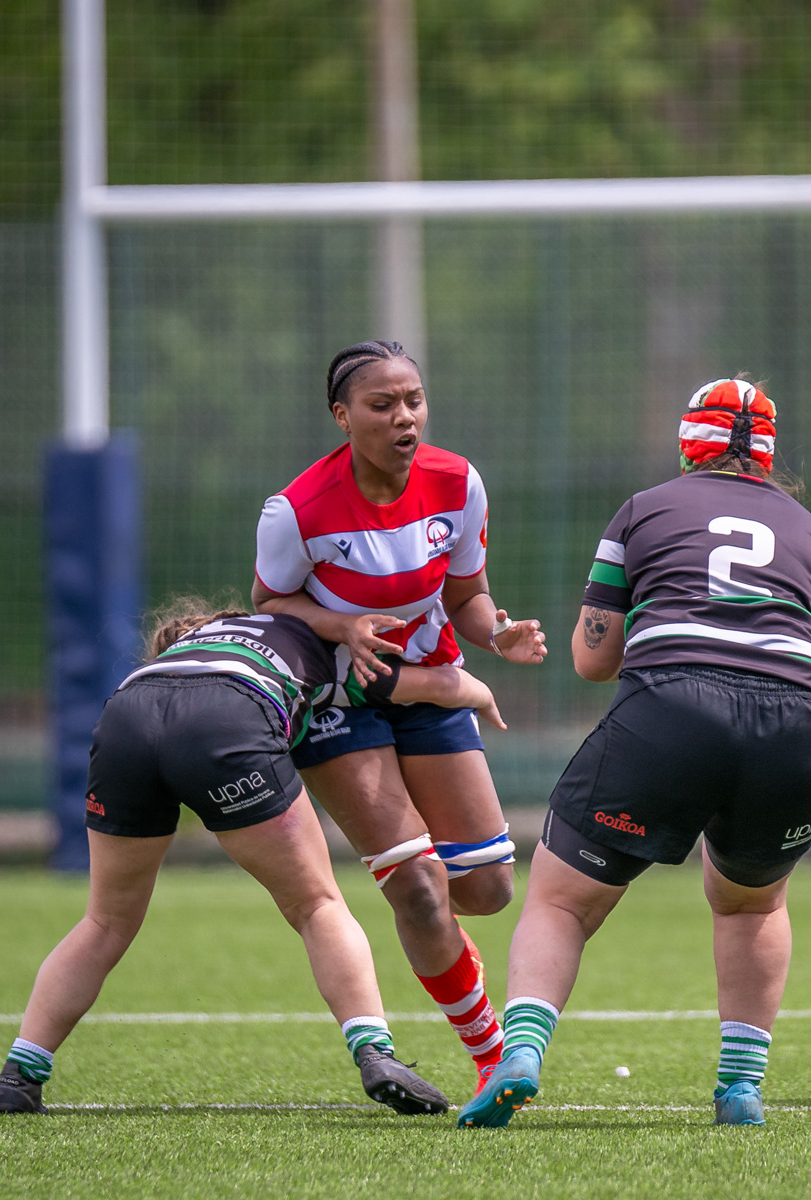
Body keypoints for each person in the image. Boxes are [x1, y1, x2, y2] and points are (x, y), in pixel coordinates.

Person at [458, 378, 811, 1130]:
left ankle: (520, 1051)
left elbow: (594, 661)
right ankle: (741, 1087)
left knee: (561, 899)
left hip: (671, 709)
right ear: (770, 456)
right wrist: (781, 723)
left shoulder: (644, 510)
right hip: (796, 728)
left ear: (690, 445)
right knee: (751, 904)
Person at [0, 604, 509, 1116]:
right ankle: (376, 1054)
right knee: (316, 904)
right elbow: (434, 686)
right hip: (228, 715)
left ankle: (18, 1075)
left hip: (127, 714)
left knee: (104, 921)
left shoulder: (178, 654)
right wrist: (481, 691)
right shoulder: (321, 633)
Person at [253, 340, 548, 1102]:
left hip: (428, 686)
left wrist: (496, 634)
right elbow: (270, 603)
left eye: (413, 399)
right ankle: (490, 1058)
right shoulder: (297, 510)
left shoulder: (458, 482)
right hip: (340, 704)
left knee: (484, 889)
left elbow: (466, 595)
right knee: (417, 887)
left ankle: (438, 943)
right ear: (341, 416)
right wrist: (341, 626)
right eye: (382, 405)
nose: (404, 416)